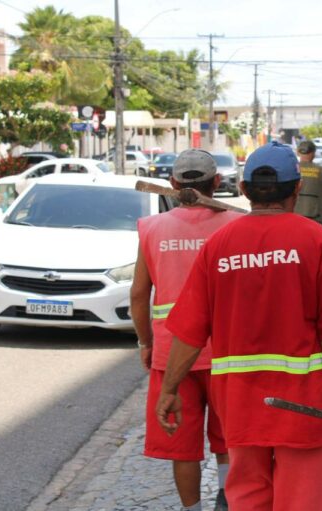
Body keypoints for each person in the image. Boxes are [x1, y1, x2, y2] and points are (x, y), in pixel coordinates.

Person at [156, 141, 322, 510]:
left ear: (243, 190)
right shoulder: (318, 242)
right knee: (303, 499)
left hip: (239, 404)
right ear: (297, 188)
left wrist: (170, 388)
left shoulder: (219, 246)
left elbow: (190, 331)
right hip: (304, 405)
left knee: (247, 498)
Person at [131, 149, 244, 511]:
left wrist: (145, 342)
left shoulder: (152, 228)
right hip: (227, 351)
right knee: (229, 439)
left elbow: (138, 295)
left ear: (173, 184)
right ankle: (227, 498)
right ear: (216, 182)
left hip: (170, 352)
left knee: (183, 446)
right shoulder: (235, 225)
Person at [294, 140, 322, 224]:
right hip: (316, 216)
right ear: (313, 153)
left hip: (294, 215)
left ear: (298, 152)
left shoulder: (291, 169)